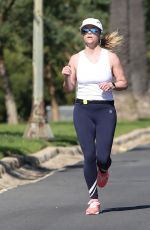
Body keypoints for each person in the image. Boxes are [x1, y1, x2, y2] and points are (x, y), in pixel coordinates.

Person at [62, 18, 128, 215]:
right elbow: (69, 88)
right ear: (82, 34)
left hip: (105, 110)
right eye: (85, 30)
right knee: (89, 155)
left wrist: (113, 85)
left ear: (99, 34)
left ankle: (104, 169)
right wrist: (66, 76)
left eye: (93, 29)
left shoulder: (111, 57)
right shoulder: (75, 59)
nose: (88, 32)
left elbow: (123, 81)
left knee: (103, 157)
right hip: (82, 110)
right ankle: (93, 201)